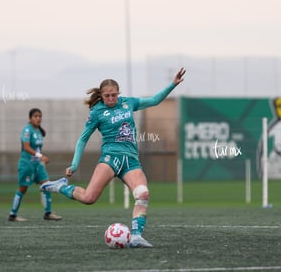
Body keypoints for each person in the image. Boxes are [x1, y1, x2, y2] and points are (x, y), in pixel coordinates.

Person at [40, 68, 186, 247]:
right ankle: (61, 187)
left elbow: (154, 100)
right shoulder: (97, 112)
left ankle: (136, 236)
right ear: (101, 96)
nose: (110, 99)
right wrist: (74, 164)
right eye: (107, 96)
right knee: (88, 198)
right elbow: (83, 139)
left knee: (143, 194)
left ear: (119, 93)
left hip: (131, 160)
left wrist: (173, 84)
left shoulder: (128, 103)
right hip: (111, 158)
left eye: (113, 95)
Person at [8, 108, 63, 221]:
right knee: (22, 189)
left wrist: (41, 158)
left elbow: (36, 149)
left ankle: (48, 213)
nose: (38, 118)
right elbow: (26, 147)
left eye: (40, 116)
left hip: (37, 165)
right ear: (30, 118)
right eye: (35, 116)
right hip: (27, 164)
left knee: (47, 185)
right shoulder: (27, 130)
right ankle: (12, 215)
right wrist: (41, 156)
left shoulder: (38, 131)